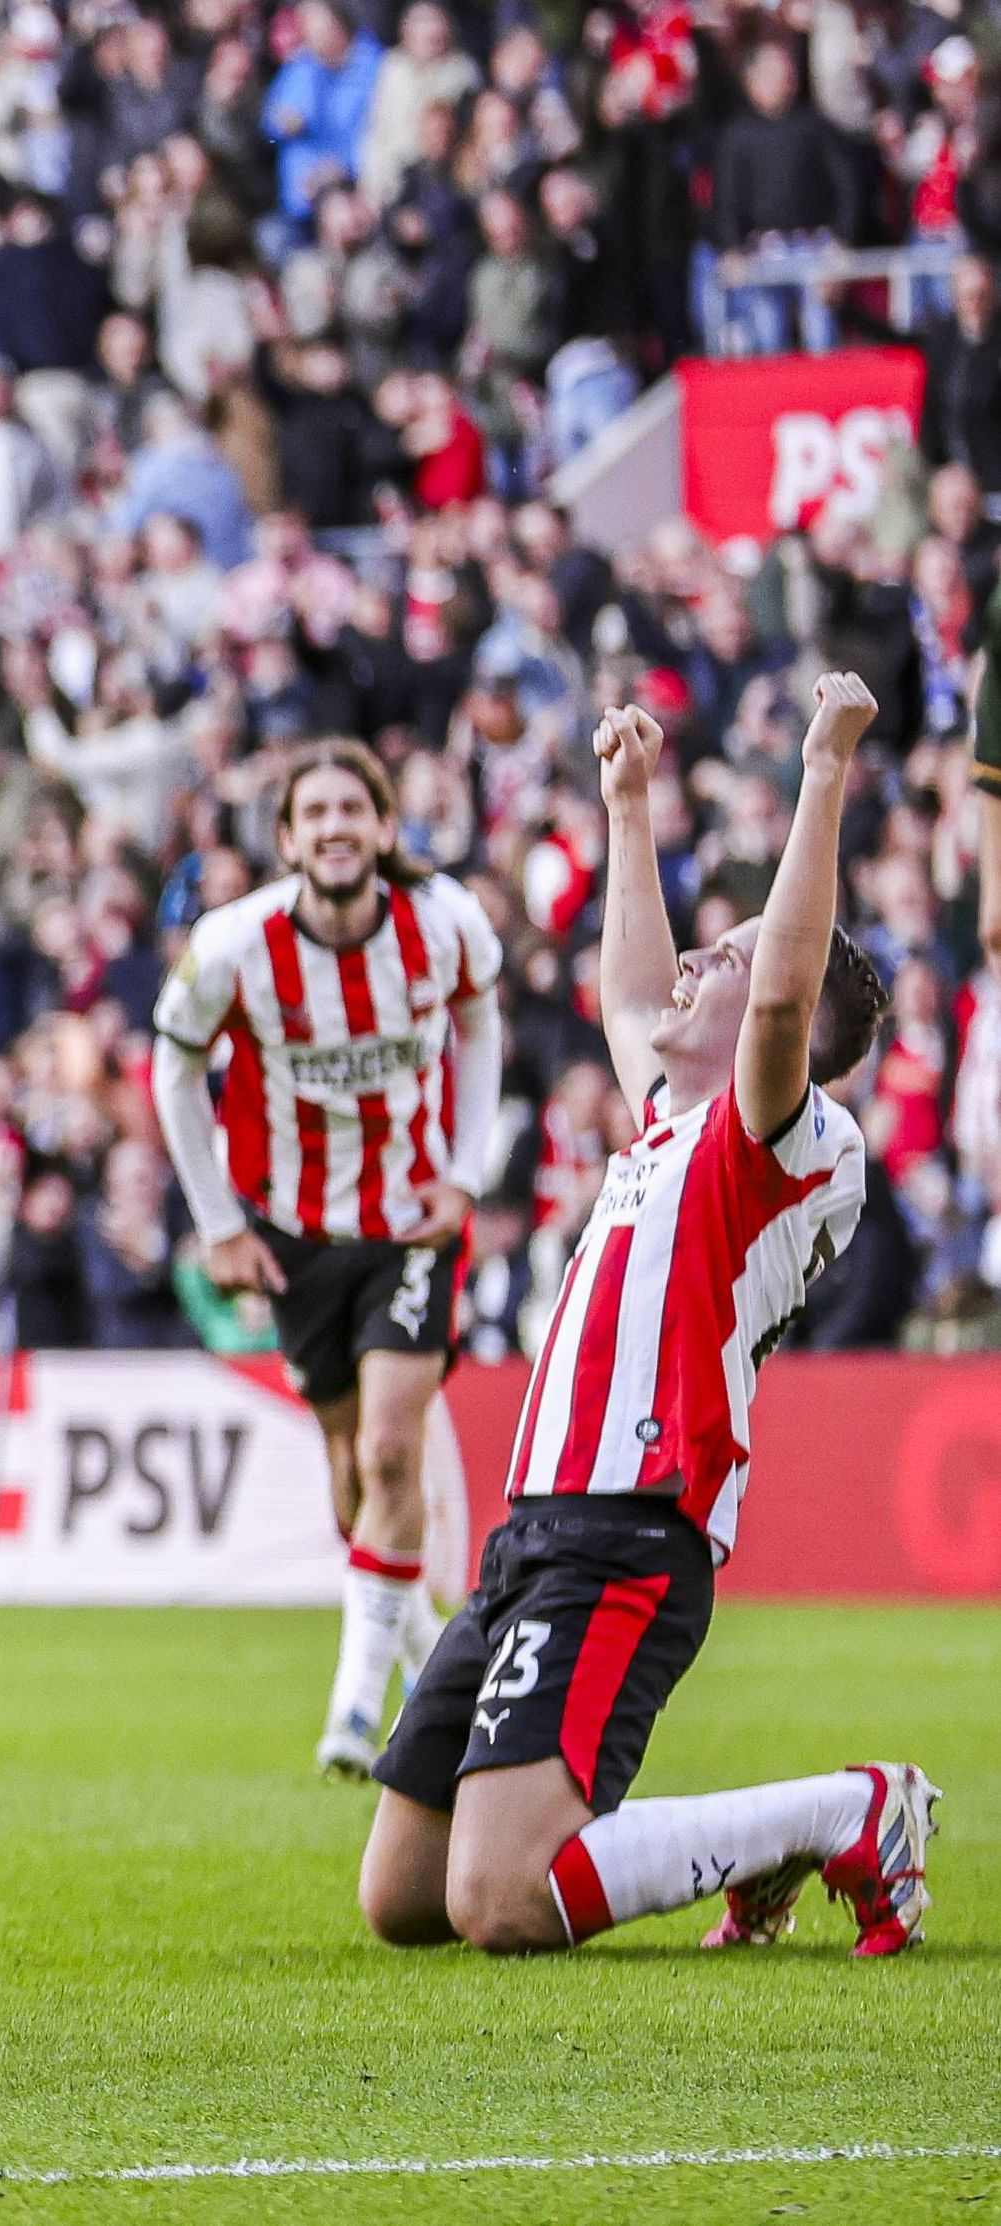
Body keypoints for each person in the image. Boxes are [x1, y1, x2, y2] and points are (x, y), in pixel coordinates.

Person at [358, 679, 936, 1958]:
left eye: (722, 958)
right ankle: (781, 1836)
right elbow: (633, 998)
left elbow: (783, 999)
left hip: (626, 1531)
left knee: (500, 1902)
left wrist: (824, 770)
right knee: (403, 1899)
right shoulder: (678, 1129)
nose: (695, 963)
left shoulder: (772, 1138)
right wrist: (627, 808)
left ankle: (848, 1810)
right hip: (534, 1536)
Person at [149, 742, 502, 1778]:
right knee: (353, 1480)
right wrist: (218, 1222)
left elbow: (481, 1028)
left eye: (357, 808)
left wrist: (465, 1174)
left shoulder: (446, 925)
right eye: (318, 813)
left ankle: (355, 1717)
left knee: (395, 1451)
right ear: (289, 839)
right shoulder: (233, 946)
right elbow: (172, 1071)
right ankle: (433, 1662)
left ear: (385, 828)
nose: (338, 826)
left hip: (410, 1225)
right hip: (295, 1236)